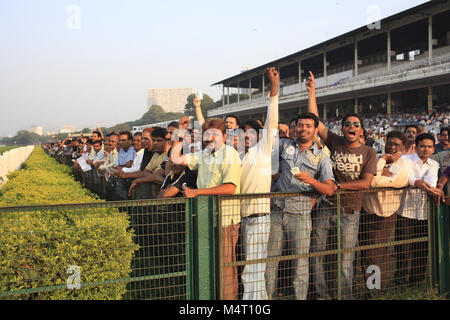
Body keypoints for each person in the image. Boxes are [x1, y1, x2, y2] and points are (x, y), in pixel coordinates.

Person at [306, 71, 377, 299]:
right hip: (326, 206)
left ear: (361, 131)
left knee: (346, 258)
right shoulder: (335, 141)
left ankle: (344, 296)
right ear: (343, 128)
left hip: (350, 209)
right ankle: (322, 295)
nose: (351, 126)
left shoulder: (369, 152)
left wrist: (340, 186)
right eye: (347, 124)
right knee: (316, 254)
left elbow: (366, 183)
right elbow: (315, 121)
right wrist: (312, 92)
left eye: (356, 124)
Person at [266, 112, 336, 301]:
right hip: (276, 210)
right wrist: (274, 130)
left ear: (315, 130)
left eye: (308, 126)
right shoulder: (284, 145)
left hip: (301, 214)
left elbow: (329, 189)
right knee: (270, 261)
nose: (303, 128)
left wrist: (312, 181)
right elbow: (264, 150)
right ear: (295, 128)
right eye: (300, 125)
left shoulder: (321, 157)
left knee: (300, 263)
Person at [171, 117, 242, 300]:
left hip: (225, 220)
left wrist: (197, 192)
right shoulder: (204, 154)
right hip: (205, 219)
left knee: (224, 268)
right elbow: (175, 158)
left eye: (215, 134)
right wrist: (181, 134)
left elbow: (230, 188)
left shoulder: (230, 154)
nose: (210, 138)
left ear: (224, 136)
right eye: (207, 134)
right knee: (207, 265)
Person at [239, 67, 279, 300]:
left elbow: (272, 119)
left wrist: (274, 88)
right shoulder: (236, 156)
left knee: (252, 270)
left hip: (260, 219)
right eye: (242, 132)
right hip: (243, 220)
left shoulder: (262, 151)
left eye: (250, 132)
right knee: (251, 269)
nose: (246, 136)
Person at [360, 131, 409, 289]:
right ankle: (371, 287)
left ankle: (373, 289)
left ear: (403, 148)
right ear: (385, 143)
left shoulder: (402, 167)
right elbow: (370, 179)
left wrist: (379, 167)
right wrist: (382, 163)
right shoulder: (375, 158)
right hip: (367, 212)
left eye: (397, 145)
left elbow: (372, 182)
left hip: (385, 216)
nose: (392, 147)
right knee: (367, 253)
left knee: (375, 254)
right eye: (390, 143)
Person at [395, 133, 441, 286]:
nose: (426, 150)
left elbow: (431, 181)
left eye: (429, 147)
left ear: (433, 149)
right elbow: (395, 175)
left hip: (424, 214)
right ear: (416, 146)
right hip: (405, 211)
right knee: (403, 250)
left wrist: (426, 186)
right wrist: (415, 182)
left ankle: (416, 284)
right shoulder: (405, 160)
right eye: (423, 146)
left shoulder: (434, 164)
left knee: (421, 251)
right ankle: (400, 283)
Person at [128, 127, 169, 199]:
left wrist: (138, 180)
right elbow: (146, 172)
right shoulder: (156, 154)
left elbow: (158, 175)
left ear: (166, 141)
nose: (155, 143)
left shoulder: (168, 155)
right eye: (153, 140)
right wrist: (153, 178)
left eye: (159, 141)